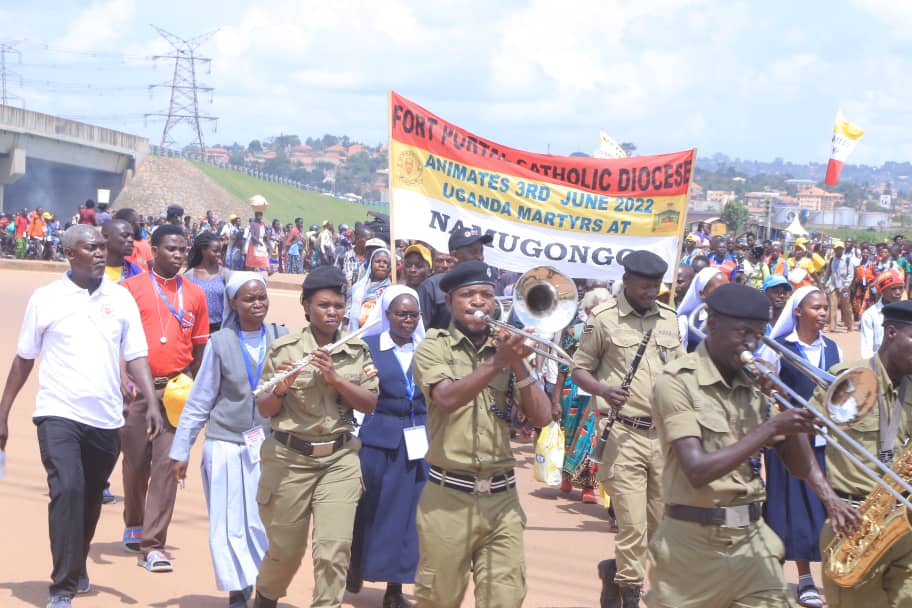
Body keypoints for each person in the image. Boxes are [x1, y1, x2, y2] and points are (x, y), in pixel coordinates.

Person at [646, 283, 858, 608]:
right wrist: (771, 426)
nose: (750, 344)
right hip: (692, 545)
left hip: (752, 539)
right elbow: (697, 470)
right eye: (743, 333)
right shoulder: (676, 381)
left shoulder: (755, 384)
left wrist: (787, 407)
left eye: (758, 335)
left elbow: (795, 464)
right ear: (713, 324)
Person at [0, 225, 163, 608]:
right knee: (67, 490)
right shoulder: (46, 299)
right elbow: (25, 358)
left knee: (90, 500)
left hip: (106, 419)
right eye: (91, 247)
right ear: (69, 253)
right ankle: (62, 586)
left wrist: (152, 403)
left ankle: (76, 561)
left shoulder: (121, 300)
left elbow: (137, 353)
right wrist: (3, 411)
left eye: (103, 247)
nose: (100, 253)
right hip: (58, 413)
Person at [411, 260, 552, 607]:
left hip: (502, 499)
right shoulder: (434, 345)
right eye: (468, 295)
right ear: (449, 302)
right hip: (448, 498)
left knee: (505, 598)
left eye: (487, 295)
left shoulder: (506, 350)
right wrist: (498, 363)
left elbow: (542, 416)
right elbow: (445, 398)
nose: (479, 302)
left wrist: (518, 362)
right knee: (438, 599)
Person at [251, 265, 379, 608]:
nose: (332, 312)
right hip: (289, 461)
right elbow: (264, 408)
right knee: (285, 551)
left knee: (333, 549)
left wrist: (336, 378)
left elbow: (369, 402)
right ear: (306, 306)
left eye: (338, 306)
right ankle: (265, 597)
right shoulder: (285, 349)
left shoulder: (356, 350)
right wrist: (280, 388)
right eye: (324, 305)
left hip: (339, 461)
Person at [570, 250, 683, 608]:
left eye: (657, 286)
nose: (652, 292)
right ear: (629, 280)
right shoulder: (603, 319)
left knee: (660, 526)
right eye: (646, 286)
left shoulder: (670, 319)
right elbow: (579, 369)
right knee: (632, 526)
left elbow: (681, 371)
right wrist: (603, 390)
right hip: (623, 434)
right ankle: (631, 596)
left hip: (663, 437)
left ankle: (613, 570)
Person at [169, 273, 287, 608]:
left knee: (263, 521)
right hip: (224, 443)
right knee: (228, 521)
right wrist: (181, 451)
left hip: (269, 444)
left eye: (262, 297)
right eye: (249, 299)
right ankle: (238, 591)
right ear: (233, 303)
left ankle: (264, 589)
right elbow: (200, 399)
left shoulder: (281, 338)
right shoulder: (220, 342)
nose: (257, 304)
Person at [120, 224, 209, 573]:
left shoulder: (195, 295)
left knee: (167, 466)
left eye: (182, 249)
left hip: (175, 391)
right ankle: (134, 520)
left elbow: (200, 349)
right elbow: (116, 342)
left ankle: (153, 545)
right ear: (153, 250)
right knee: (136, 462)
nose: (178, 254)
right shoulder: (128, 290)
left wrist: (192, 385)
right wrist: (121, 380)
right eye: (171, 248)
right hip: (136, 391)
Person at [818, 300, 912, 607]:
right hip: (853, 524)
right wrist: (827, 498)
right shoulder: (845, 378)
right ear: (891, 332)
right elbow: (790, 437)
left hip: (901, 526)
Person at [763, 285, 842, 607]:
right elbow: (766, 393)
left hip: (823, 443)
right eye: (816, 308)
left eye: (826, 308)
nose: (823, 313)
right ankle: (805, 578)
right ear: (798, 311)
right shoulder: (779, 348)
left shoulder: (833, 348)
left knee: (820, 510)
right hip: (789, 445)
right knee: (791, 512)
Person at [349, 286, 428, 608]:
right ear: (387, 315)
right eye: (400, 314)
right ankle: (356, 566)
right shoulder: (366, 347)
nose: (407, 320)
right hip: (377, 440)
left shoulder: (428, 350)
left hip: (418, 443)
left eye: (413, 315)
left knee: (411, 515)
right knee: (367, 509)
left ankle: (395, 589)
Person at [556, 287, 612, 504]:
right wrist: (555, 398)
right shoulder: (574, 333)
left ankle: (588, 485)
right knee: (570, 435)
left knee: (592, 438)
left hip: (599, 392)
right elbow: (563, 365)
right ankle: (566, 477)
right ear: (588, 310)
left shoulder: (614, 334)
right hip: (573, 392)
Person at [417, 228, 491, 331]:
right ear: (455, 256)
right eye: (473, 252)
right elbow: (421, 329)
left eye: (481, 251)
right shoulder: (431, 286)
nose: (480, 257)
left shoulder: (488, 284)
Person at [184, 231, 231, 337]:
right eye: (215, 251)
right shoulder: (190, 276)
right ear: (203, 250)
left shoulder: (224, 274)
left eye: (220, 251)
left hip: (221, 328)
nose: (219, 254)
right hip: (197, 328)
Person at [676, 267, 729, 351]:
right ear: (702, 293)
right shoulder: (685, 320)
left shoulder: (729, 318)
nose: (725, 295)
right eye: (719, 291)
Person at [860, 268, 905, 358]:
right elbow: (866, 350)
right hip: (880, 366)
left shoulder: (906, 312)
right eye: (893, 289)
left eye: (900, 288)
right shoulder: (870, 315)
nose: (898, 292)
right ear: (883, 291)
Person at [348, 247, 392, 332]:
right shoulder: (357, 288)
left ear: (389, 268)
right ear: (371, 265)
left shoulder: (391, 290)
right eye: (378, 261)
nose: (381, 265)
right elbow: (347, 316)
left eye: (385, 262)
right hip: (355, 334)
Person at [822, 240, 856, 333]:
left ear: (843, 249)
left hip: (844, 288)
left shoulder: (847, 260)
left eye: (840, 249)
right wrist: (823, 282)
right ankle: (832, 326)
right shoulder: (832, 260)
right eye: (837, 249)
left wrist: (846, 285)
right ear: (834, 250)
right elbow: (828, 273)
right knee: (833, 306)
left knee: (846, 307)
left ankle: (850, 325)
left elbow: (851, 274)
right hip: (834, 286)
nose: (838, 251)